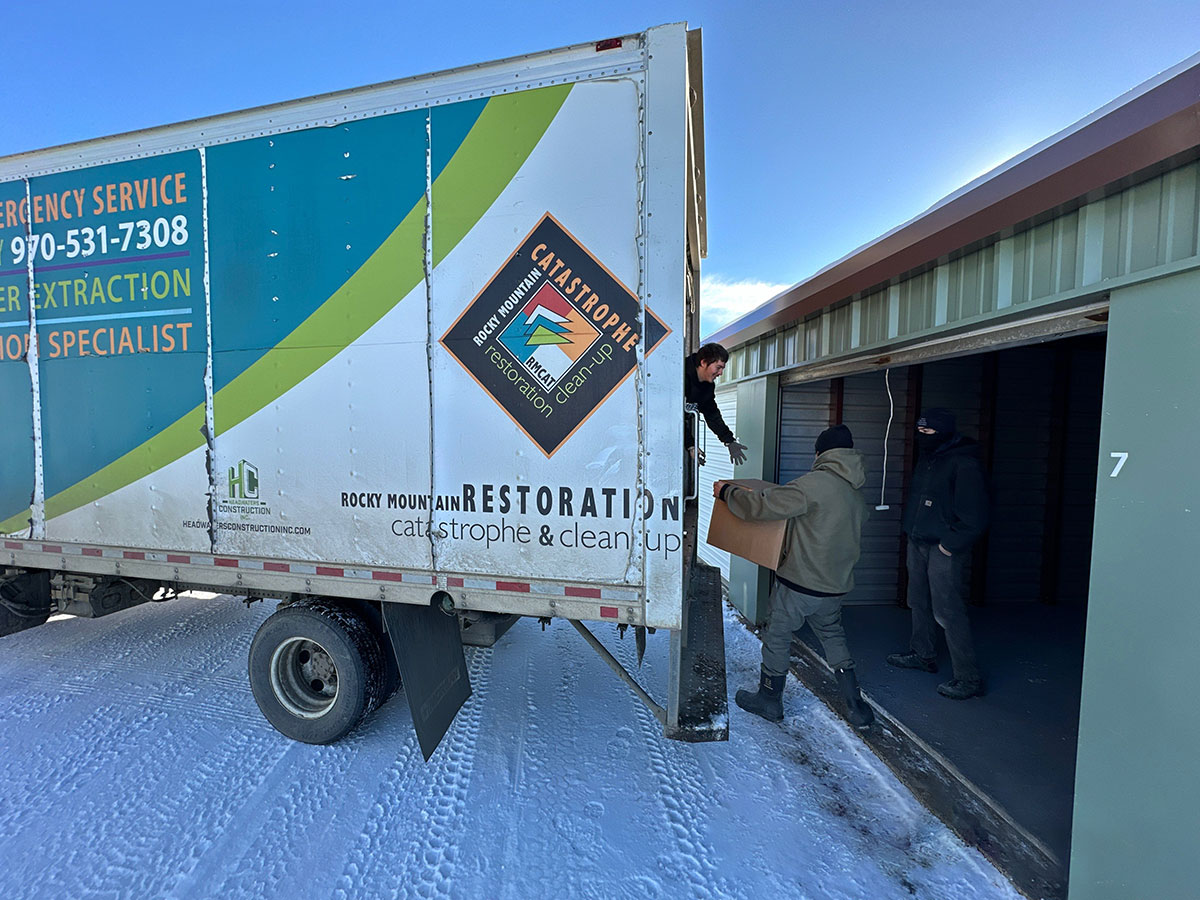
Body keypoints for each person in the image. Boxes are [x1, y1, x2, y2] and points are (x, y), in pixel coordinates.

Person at [715, 424, 873, 728]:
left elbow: (761, 507)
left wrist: (727, 492)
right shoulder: (855, 491)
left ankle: (769, 700)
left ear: (821, 453)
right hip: (834, 587)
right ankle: (857, 707)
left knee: (777, 633)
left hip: (800, 584)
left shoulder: (815, 484)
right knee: (832, 636)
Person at [886, 408, 990, 700]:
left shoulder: (963, 463)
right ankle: (922, 653)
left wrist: (949, 545)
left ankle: (968, 678)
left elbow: (976, 515)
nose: (923, 437)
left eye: (928, 432)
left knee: (947, 611)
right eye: (919, 432)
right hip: (917, 540)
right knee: (916, 600)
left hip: (944, 547)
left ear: (943, 432)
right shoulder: (928, 458)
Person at [685, 343, 748, 466]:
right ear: (703, 362)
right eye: (718, 367)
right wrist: (690, 445)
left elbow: (712, 415)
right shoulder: (680, 376)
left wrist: (729, 441)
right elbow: (671, 417)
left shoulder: (707, 386)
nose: (720, 373)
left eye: (722, 368)